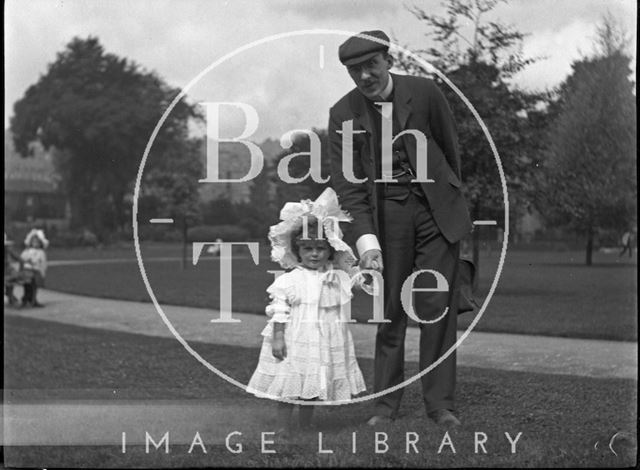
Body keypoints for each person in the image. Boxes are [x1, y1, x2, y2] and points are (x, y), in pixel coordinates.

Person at [328, 30, 473, 427]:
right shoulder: (343, 114)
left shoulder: (426, 93)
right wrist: (367, 241)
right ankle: (385, 406)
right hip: (386, 216)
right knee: (390, 311)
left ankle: (440, 405)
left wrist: (448, 204)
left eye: (370, 66)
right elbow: (349, 187)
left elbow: (450, 152)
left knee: (435, 307)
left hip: (434, 213)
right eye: (354, 70)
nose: (364, 76)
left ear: (388, 61)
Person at [246, 188, 367, 435]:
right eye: (308, 248)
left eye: (320, 249)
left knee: (313, 381)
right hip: (296, 338)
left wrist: (367, 270)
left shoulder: (334, 276)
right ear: (297, 250)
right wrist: (278, 337)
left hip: (323, 338)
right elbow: (279, 309)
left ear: (330, 251)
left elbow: (358, 280)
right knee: (290, 382)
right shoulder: (290, 280)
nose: (314, 254)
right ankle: (283, 427)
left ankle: (305, 423)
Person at [20, 229, 49, 307]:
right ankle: (26, 299)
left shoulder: (41, 252)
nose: (35, 244)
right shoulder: (27, 251)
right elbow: (22, 259)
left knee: (35, 286)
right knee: (27, 286)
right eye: (34, 242)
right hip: (27, 271)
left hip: (36, 271)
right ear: (30, 242)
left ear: (40, 244)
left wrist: (42, 271)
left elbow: (43, 263)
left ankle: (33, 300)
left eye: (37, 242)